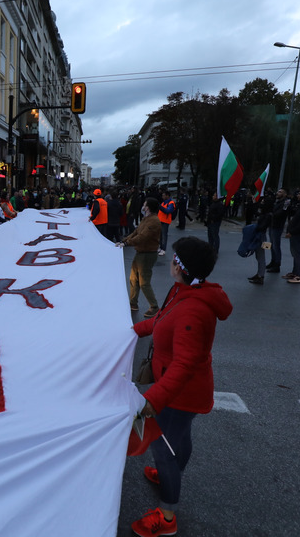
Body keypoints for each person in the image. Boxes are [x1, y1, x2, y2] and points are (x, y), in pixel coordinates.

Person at [129, 236, 233, 537]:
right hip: (179, 390)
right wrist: (128, 332)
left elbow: (185, 364)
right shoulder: (185, 291)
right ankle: (169, 476)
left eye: (174, 260)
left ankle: (167, 516)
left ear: (181, 267)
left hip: (178, 392)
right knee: (178, 439)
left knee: (163, 449)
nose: (171, 263)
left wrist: (154, 399)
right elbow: (160, 321)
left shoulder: (192, 310)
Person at [117, 197, 162, 318]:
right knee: (133, 279)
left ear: (148, 207)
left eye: (144, 204)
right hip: (140, 253)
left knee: (144, 282)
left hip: (148, 254)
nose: (143, 206)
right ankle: (133, 303)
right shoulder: (146, 219)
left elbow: (143, 237)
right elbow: (136, 232)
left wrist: (126, 244)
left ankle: (154, 307)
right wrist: (124, 240)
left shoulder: (154, 221)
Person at [248, 197, 274, 284]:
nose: (261, 203)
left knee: (261, 257)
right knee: (259, 256)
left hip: (261, 237)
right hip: (261, 237)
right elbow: (256, 212)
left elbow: (262, 227)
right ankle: (259, 274)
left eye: (263, 202)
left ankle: (260, 276)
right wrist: (254, 203)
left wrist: (255, 227)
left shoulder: (268, 215)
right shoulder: (265, 214)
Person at [266, 188, 289, 273]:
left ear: (285, 194)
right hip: (272, 225)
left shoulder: (286, 202)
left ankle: (277, 264)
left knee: (276, 246)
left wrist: (271, 215)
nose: (278, 193)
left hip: (277, 226)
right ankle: (273, 261)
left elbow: (282, 213)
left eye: (280, 192)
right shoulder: (277, 201)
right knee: (271, 245)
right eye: (278, 191)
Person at [157, 191, 176, 256]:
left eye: (164, 195)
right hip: (160, 220)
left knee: (164, 235)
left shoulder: (171, 203)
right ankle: (161, 247)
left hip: (165, 221)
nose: (163, 196)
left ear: (167, 196)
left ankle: (163, 249)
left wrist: (160, 207)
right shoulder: (164, 202)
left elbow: (168, 211)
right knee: (160, 235)